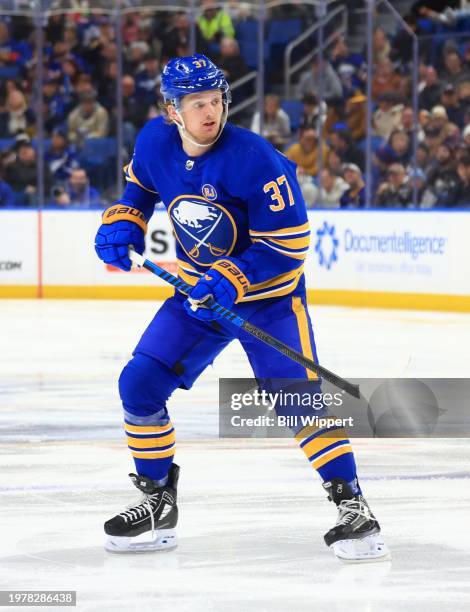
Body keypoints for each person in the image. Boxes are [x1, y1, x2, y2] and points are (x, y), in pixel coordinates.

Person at [94, 53, 389, 561]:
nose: (211, 112)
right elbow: (141, 185)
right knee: (138, 385)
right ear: (172, 111)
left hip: (269, 301)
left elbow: (289, 245)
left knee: (298, 401)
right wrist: (123, 221)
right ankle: (157, 499)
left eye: (216, 101)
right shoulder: (152, 142)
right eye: (197, 103)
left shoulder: (256, 158)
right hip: (196, 297)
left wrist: (231, 279)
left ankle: (353, 507)